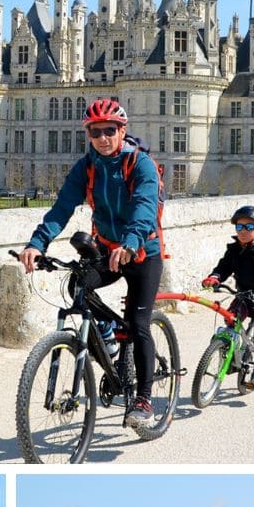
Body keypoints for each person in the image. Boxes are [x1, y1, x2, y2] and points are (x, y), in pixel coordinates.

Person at [19, 98, 164, 430]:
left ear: (122, 131)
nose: (102, 138)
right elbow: (61, 208)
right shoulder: (86, 167)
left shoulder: (140, 165)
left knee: (138, 325)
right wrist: (37, 243)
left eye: (109, 131)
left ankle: (143, 400)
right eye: (95, 132)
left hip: (142, 252)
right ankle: (109, 333)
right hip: (107, 248)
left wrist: (131, 242)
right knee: (77, 285)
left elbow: (144, 207)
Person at [201, 204, 254, 391]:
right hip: (243, 295)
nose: (243, 231)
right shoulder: (234, 251)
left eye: (249, 227)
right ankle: (228, 347)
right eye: (239, 227)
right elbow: (223, 267)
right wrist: (215, 277)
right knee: (229, 318)